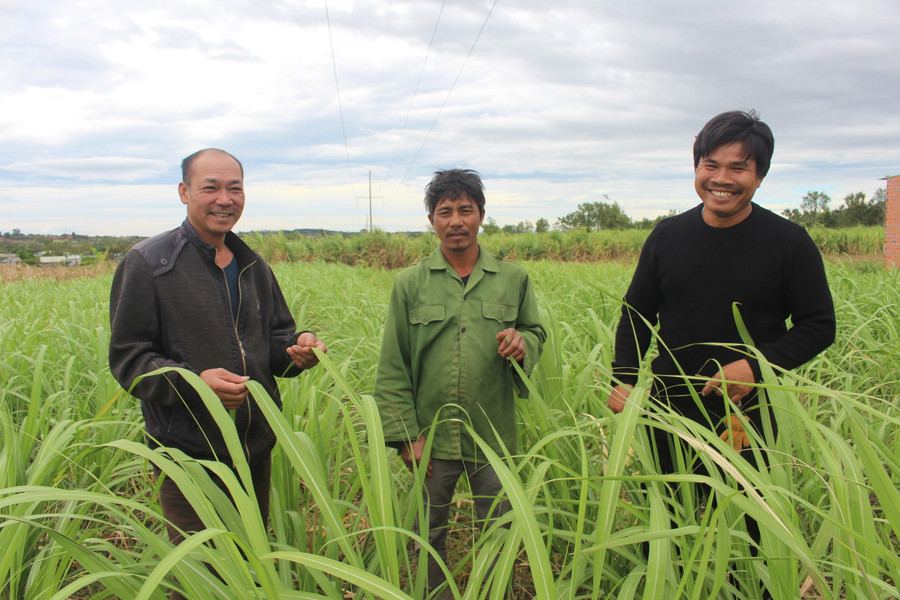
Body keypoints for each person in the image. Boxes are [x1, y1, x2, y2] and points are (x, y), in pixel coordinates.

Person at [607, 110, 835, 594]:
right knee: (669, 523)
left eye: (739, 168)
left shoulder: (788, 242)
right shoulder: (667, 236)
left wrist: (757, 367)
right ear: (696, 169)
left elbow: (819, 325)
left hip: (748, 417)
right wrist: (624, 379)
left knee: (753, 531)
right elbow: (635, 314)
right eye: (711, 165)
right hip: (669, 412)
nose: (722, 180)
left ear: (760, 175)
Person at [109, 148, 326, 598]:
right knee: (199, 581)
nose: (224, 199)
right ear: (185, 192)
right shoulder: (149, 264)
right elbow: (129, 360)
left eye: (235, 188)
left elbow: (275, 345)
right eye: (210, 187)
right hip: (188, 455)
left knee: (247, 570)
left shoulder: (253, 265)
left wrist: (298, 350)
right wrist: (195, 385)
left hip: (253, 450)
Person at [374, 169, 546, 598]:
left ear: (481, 216)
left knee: (499, 530)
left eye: (465, 210)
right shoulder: (410, 282)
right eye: (444, 211)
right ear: (431, 219)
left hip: (493, 434)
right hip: (430, 438)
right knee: (426, 535)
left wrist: (523, 343)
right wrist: (405, 435)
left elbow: (536, 332)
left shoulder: (513, 277)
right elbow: (393, 363)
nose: (455, 221)